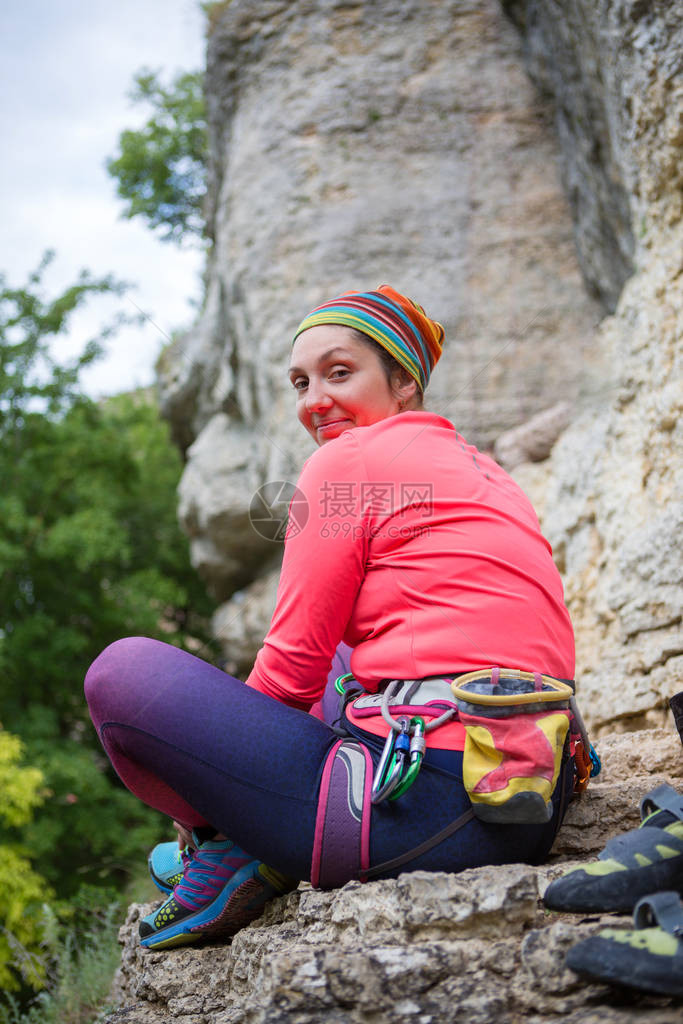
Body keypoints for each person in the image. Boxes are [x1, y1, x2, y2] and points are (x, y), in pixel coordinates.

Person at [85, 285, 576, 951]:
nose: (313, 401)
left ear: (403, 379)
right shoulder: (484, 471)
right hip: (526, 791)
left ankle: (226, 847)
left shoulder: (344, 465)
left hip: (422, 810)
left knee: (121, 675)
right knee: (350, 655)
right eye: (299, 382)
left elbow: (289, 671)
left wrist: (228, 794)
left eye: (338, 373)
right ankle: (236, 844)